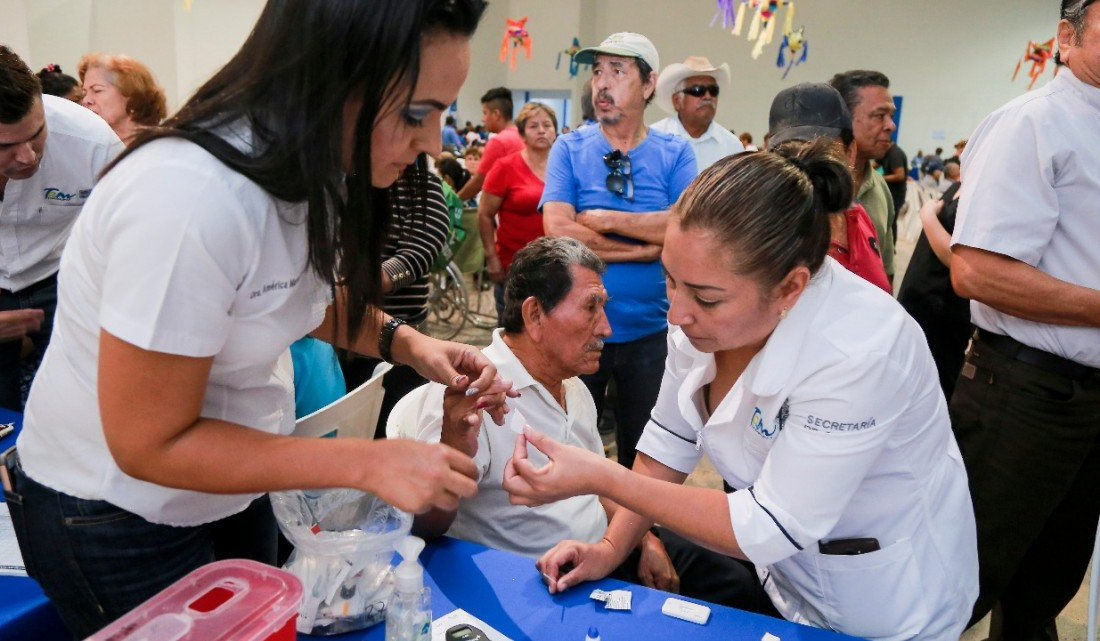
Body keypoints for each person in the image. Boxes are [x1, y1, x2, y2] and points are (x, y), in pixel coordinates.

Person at [4, 2, 513, 638]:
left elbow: (295, 296)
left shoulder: (311, 169)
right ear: (331, 82)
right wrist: (366, 463)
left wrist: (408, 342)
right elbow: (148, 443)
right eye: (416, 114)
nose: (433, 142)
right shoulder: (187, 199)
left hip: (229, 485)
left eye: (441, 113)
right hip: (116, 513)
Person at [506, 142, 978, 641]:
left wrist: (601, 477)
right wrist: (610, 548)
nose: (677, 313)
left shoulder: (861, 350)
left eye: (705, 298)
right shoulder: (701, 320)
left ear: (790, 289)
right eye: (670, 280)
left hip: (887, 602)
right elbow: (668, 444)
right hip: (792, 582)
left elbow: (768, 526)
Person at [409, 236, 775, 611]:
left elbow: (602, 488)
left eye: (603, 307)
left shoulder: (575, 389)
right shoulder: (472, 397)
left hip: (604, 548)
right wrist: (453, 442)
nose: (606, 329)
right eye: (590, 308)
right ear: (535, 315)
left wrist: (640, 538)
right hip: (543, 582)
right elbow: (423, 526)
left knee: (735, 581)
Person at [948, 1, 1100, 637]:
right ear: (1067, 37)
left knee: (1048, 585)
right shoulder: (1035, 122)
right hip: (1024, 392)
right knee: (962, 582)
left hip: (1086, 398)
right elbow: (978, 272)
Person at [540, 31, 695, 471]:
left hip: (650, 331)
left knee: (644, 453)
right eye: (597, 71)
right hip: (575, 330)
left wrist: (605, 219)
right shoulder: (569, 148)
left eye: (618, 71)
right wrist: (643, 249)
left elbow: (685, 226)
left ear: (648, 86)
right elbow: (557, 228)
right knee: (570, 448)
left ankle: (635, 538)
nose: (602, 84)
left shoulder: (674, 152)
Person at [0, 38, 123, 411]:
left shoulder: (91, 142)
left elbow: (140, 237)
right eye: (1, 146)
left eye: (37, 134)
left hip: (64, 274)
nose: (27, 156)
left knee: (95, 409)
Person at [339, 157, 452, 438]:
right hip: (336, 338)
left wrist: (356, 285)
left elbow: (420, 250)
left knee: (393, 429)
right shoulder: (340, 180)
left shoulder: (422, 186)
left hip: (398, 340)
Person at [766, 82, 890, 293]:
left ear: (850, 152)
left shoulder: (859, 216)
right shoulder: (766, 236)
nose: (803, 159)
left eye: (821, 149)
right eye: (789, 150)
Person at [478, 102, 556, 318]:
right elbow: (484, 214)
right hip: (514, 267)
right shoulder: (505, 167)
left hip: (556, 269)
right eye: (533, 126)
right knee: (513, 335)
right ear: (521, 134)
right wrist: (491, 258)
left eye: (547, 125)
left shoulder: (564, 167)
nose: (541, 130)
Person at [897, 181, 967, 400]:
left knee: (931, 389)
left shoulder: (987, 188)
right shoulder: (963, 180)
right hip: (919, 300)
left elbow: (960, 263)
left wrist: (927, 216)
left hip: (944, 309)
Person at [830, 70, 898, 284]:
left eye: (891, 116)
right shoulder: (804, 186)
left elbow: (885, 268)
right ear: (845, 119)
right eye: (879, 116)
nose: (891, 126)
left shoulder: (880, 189)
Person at [650, 56, 744, 174]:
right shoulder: (653, 140)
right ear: (677, 101)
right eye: (698, 90)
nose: (708, 96)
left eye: (713, 90)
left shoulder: (732, 147)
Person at [78, 52, 167, 144]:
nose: (86, 100)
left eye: (97, 90)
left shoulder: (162, 147)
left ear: (132, 95)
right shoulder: (90, 148)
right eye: (84, 93)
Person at [457, 86, 521, 201]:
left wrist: (456, 200)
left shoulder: (499, 142)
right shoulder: (523, 136)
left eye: (485, 113)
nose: (483, 119)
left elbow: (478, 182)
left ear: (496, 114)